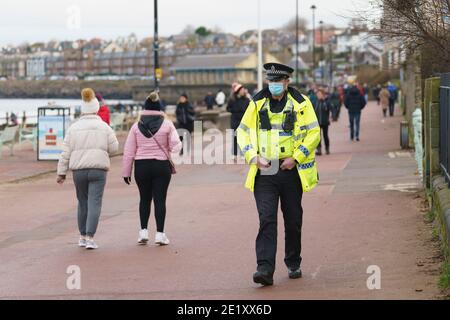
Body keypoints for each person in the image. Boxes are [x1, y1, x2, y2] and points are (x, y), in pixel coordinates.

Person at [237, 63, 320, 286]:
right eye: (270, 81)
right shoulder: (256, 103)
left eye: (278, 81)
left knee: (293, 220)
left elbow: (314, 132)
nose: (273, 85)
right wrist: (253, 157)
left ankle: (293, 261)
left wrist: (297, 158)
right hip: (265, 170)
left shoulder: (302, 103)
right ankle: (264, 268)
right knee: (267, 219)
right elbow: (242, 133)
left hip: (291, 169)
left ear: (287, 81)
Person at [57, 88, 119, 250]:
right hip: (98, 169)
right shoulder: (104, 127)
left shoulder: (73, 128)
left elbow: (65, 152)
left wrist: (61, 173)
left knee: (82, 202)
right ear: (96, 108)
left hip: (78, 170)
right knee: (95, 202)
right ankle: (91, 237)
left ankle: (82, 236)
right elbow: (114, 148)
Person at [122, 92, 182, 246]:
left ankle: (143, 232)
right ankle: (160, 235)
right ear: (159, 108)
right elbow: (177, 145)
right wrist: (169, 150)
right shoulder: (167, 124)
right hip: (161, 166)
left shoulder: (136, 126)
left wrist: (126, 172)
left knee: (144, 199)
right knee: (160, 200)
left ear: (145, 108)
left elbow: (129, 151)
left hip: (141, 166)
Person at [227, 83, 250, 157]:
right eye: (242, 90)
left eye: (243, 89)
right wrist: (235, 110)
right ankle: (234, 153)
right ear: (238, 91)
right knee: (235, 137)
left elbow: (249, 110)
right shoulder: (232, 100)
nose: (243, 91)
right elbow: (228, 108)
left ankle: (243, 154)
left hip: (244, 121)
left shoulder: (247, 100)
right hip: (235, 120)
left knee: (243, 138)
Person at [314, 89, 332, 155]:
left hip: (325, 122)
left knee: (325, 136)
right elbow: (313, 111)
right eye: (317, 94)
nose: (318, 95)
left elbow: (328, 109)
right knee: (318, 137)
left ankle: (327, 149)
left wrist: (324, 101)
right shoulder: (315, 102)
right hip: (317, 122)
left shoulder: (326, 102)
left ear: (323, 94)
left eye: (320, 94)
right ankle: (319, 150)